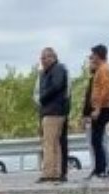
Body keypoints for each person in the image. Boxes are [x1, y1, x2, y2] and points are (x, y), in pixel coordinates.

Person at [82, 46, 109, 179]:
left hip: (102, 109)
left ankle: (103, 169)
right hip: (98, 108)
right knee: (95, 140)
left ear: (98, 55)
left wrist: (97, 108)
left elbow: (107, 91)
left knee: (98, 140)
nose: (91, 57)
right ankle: (98, 169)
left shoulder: (105, 69)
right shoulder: (99, 70)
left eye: (93, 54)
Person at [36, 47, 70, 182]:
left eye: (45, 57)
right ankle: (55, 172)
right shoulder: (46, 72)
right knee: (54, 143)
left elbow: (56, 86)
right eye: (41, 58)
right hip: (50, 111)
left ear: (53, 57)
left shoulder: (58, 69)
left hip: (54, 111)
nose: (42, 60)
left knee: (49, 143)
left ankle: (49, 173)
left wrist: (42, 97)